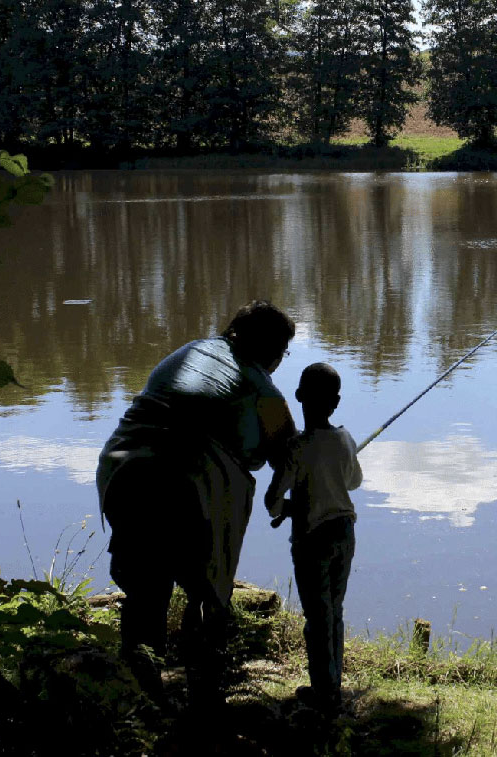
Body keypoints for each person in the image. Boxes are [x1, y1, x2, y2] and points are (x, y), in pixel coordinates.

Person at [95, 300, 297, 706]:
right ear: (270, 350)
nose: (280, 359)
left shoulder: (188, 351)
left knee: (145, 590)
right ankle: (205, 695)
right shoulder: (262, 387)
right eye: (282, 350)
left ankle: (139, 697)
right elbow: (289, 455)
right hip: (187, 487)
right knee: (206, 591)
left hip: (123, 469)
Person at [265, 362, 363, 712]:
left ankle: (324, 696)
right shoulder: (346, 439)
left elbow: (271, 502)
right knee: (334, 612)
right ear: (336, 403)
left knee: (317, 618)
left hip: (312, 539)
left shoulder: (296, 448)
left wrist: (288, 509)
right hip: (345, 532)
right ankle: (332, 686)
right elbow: (353, 483)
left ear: (298, 397)